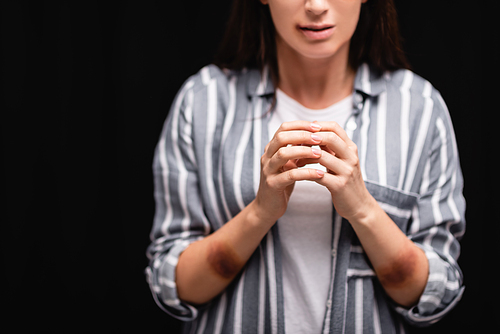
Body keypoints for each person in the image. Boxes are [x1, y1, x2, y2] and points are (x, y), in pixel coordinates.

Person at [146, 0, 465, 333]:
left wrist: (362, 208)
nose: (315, 6)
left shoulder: (420, 109)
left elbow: (435, 295)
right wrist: (259, 212)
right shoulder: (203, 102)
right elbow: (174, 286)